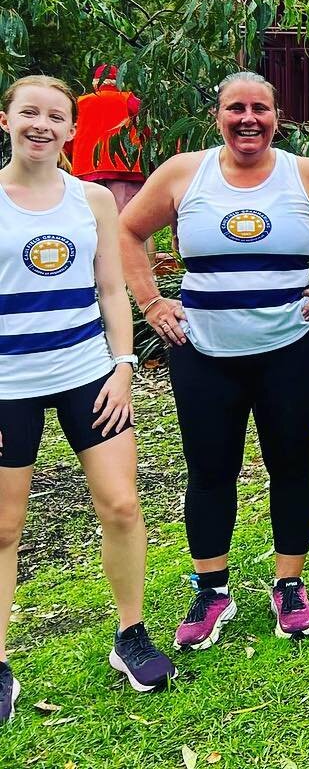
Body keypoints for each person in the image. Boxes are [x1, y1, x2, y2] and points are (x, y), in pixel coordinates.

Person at [119, 72, 309, 653]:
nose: (248, 119)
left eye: (260, 108)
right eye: (236, 109)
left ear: (277, 116)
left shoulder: (307, 175)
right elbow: (128, 233)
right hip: (203, 351)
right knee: (210, 469)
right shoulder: (184, 174)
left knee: (292, 462)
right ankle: (211, 590)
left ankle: (290, 583)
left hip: (291, 350)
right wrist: (151, 303)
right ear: (218, 115)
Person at [0, 76, 175, 720]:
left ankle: (130, 636)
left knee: (123, 506)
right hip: (6, 384)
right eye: (29, 114)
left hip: (86, 372)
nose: (41, 125)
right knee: (3, 527)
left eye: (54, 117)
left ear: (73, 130)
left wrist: (123, 367)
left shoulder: (94, 200)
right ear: (6, 120)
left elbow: (109, 293)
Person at [70, 65, 152, 262]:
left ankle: (98, 273)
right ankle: (147, 271)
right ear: (119, 81)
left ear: (94, 83)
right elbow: (148, 131)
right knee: (135, 224)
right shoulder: (130, 100)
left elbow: (68, 138)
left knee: (92, 223)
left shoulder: (79, 103)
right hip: (126, 168)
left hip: (86, 170)